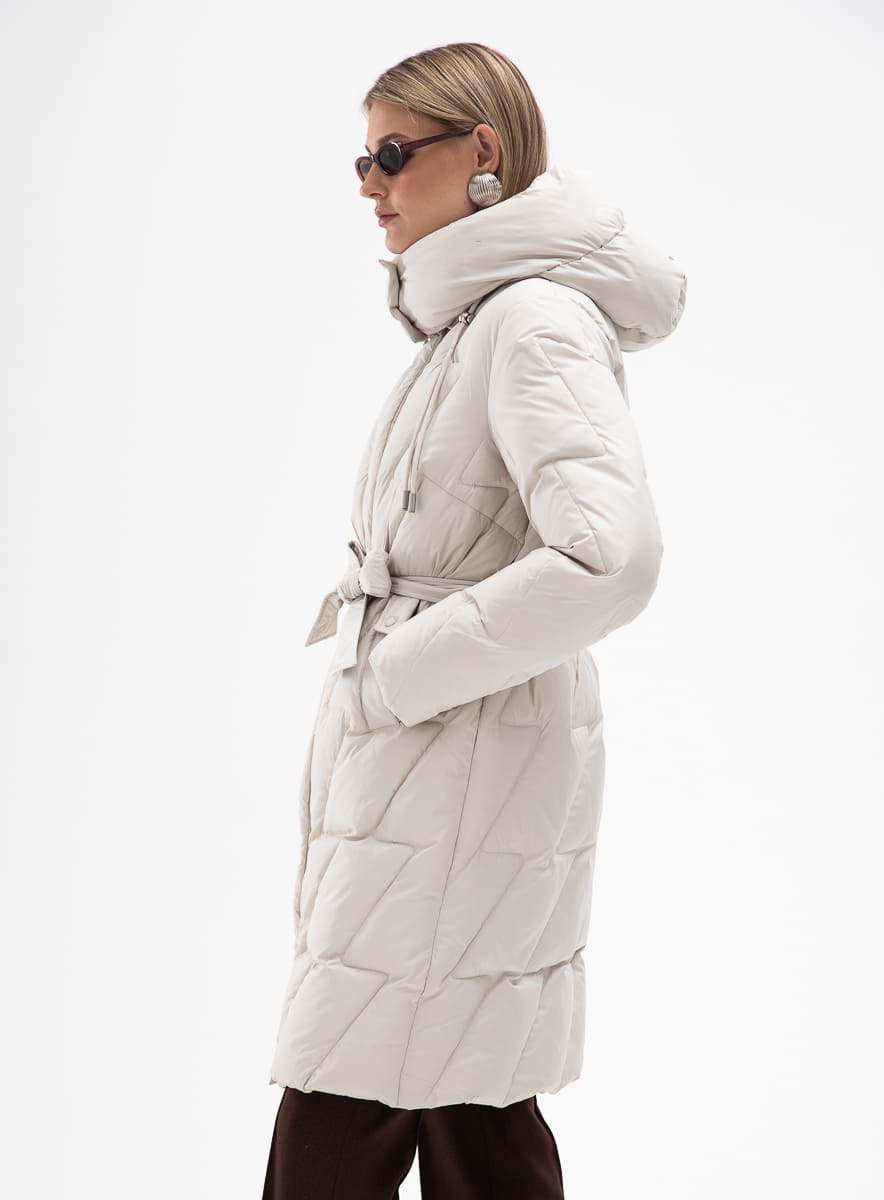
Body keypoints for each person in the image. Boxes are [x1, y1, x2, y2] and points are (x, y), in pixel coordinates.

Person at [263, 40, 687, 1199]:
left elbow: (611, 557)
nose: (370, 184)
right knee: (470, 1106)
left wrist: (402, 674)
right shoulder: (476, 322)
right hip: (447, 778)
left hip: (458, 771)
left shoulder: (531, 321)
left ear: (484, 151)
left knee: (356, 1097)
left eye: (393, 154)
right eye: (362, 159)